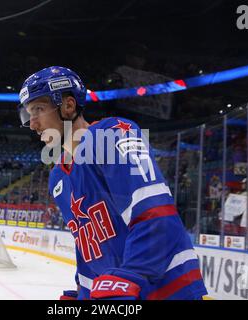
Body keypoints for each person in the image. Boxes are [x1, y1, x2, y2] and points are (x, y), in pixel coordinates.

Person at [18, 66, 207, 300]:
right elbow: (89, 251)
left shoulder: (112, 134)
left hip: (168, 292)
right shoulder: (58, 178)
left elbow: (157, 215)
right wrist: (83, 293)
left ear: (68, 106)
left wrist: (129, 277)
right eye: (28, 114)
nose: (33, 124)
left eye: (38, 109)